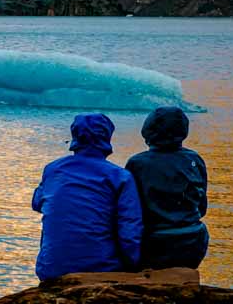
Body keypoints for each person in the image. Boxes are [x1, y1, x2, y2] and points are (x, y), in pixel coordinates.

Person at [32, 113, 143, 281]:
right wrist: (133, 267)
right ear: (107, 137)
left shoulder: (53, 169)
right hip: (102, 269)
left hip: (50, 269)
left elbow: (37, 203)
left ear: (75, 136)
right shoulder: (120, 177)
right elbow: (129, 230)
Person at [125, 106, 209, 270]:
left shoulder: (137, 163)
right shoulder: (195, 159)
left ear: (147, 130)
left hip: (155, 242)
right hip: (193, 241)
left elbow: (130, 210)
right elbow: (202, 207)